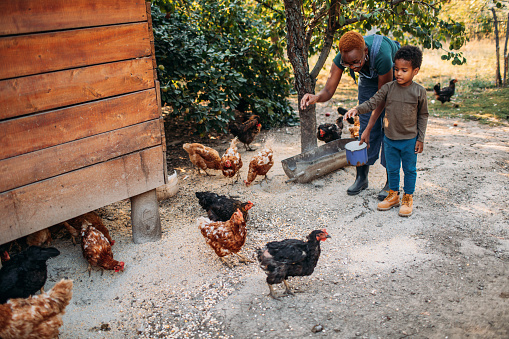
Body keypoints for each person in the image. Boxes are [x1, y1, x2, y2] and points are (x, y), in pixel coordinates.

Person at [301, 31, 400, 200]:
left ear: (365, 52)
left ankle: (391, 182)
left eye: (356, 62)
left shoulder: (382, 55)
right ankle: (361, 177)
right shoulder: (343, 56)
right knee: (365, 128)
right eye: (348, 65)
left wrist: (370, 127)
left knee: (388, 127)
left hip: (389, 76)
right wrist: (316, 97)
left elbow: (382, 97)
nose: (353, 67)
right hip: (369, 77)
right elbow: (328, 90)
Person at [343, 45, 428, 217]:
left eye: (404, 70)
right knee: (393, 169)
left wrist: (421, 138)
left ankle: (408, 198)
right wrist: (357, 110)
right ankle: (393, 195)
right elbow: (372, 102)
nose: (398, 74)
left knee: (410, 170)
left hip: (409, 140)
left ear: (415, 71)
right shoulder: (388, 88)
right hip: (390, 139)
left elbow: (423, 115)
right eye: (396, 69)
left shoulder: (419, 91)